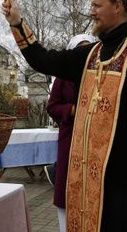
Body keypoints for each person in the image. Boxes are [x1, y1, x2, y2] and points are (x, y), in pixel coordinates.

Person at [2, 0, 127, 232]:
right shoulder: (89, 54)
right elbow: (44, 60)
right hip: (86, 188)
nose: (90, 11)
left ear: (117, 6)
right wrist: (17, 23)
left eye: (96, 5)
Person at [46, 34, 96, 232]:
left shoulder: (100, 74)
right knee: (68, 193)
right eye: (80, 49)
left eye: (88, 48)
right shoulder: (63, 77)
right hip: (70, 140)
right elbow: (52, 106)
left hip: (95, 141)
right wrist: (72, 110)